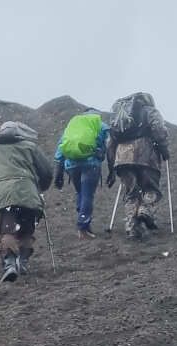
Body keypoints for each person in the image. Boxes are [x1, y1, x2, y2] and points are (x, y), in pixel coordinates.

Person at [0, 120, 53, 283]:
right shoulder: (29, 147)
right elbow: (47, 171)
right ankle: (23, 261)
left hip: (3, 197)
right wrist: (40, 187)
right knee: (26, 230)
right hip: (28, 194)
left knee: (7, 231)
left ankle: (10, 263)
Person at [105, 92, 170, 240]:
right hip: (146, 155)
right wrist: (164, 149)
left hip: (122, 158)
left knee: (130, 193)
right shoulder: (150, 111)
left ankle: (132, 228)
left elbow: (110, 143)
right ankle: (145, 210)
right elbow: (158, 129)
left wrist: (111, 168)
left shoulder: (119, 118)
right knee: (150, 187)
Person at [53, 111, 110, 239]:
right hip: (91, 164)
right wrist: (111, 167)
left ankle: (84, 223)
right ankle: (82, 227)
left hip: (72, 166)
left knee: (80, 193)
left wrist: (59, 173)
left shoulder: (72, 126)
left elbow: (61, 148)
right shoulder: (100, 124)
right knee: (87, 194)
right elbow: (109, 144)